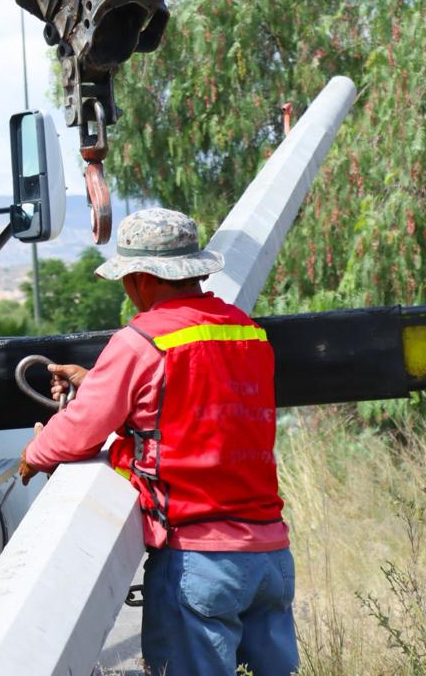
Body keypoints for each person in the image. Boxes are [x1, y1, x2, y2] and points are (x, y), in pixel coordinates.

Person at [19, 208, 299, 676]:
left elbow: (79, 434)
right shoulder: (247, 332)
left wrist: (34, 453)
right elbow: (199, 404)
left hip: (199, 560)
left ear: (143, 279)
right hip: (271, 556)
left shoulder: (141, 340)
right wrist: (96, 382)